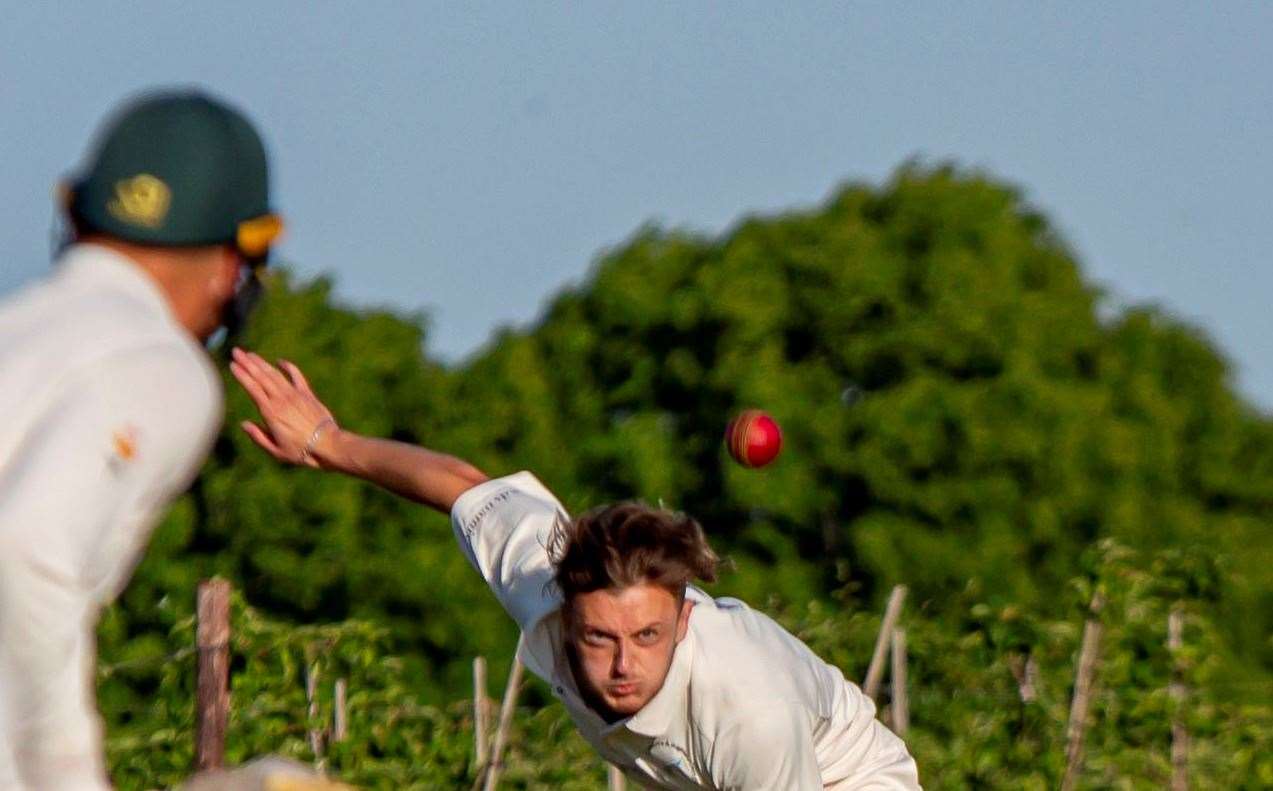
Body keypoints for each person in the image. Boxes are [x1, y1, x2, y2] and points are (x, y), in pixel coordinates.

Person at [230, 351, 922, 789]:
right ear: (566, 608)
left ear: (684, 620)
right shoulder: (546, 581)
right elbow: (461, 485)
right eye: (599, 638)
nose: (623, 665)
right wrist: (329, 441)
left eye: (647, 637)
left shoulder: (747, 710)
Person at [0, 90, 283, 790]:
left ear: (74, 215)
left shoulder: (19, 328)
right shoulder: (158, 364)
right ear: (231, 265)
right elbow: (28, 550)